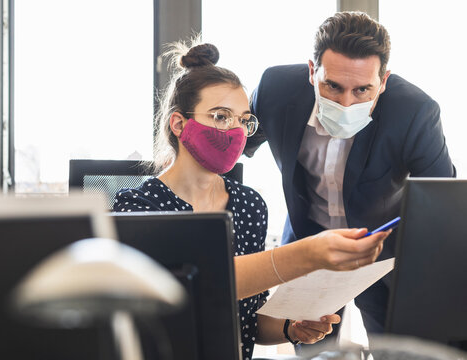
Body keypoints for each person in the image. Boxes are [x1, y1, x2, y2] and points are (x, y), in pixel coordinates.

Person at [113, 40, 390, 359]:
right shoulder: (138, 207)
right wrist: (307, 254)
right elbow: (191, 290)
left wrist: (290, 327)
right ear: (179, 124)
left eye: (244, 120)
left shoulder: (248, 205)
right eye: (221, 116)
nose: (236, 131)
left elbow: (248, 320)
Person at [245, 11, 456, 341]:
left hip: (383, 254)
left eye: (362, 90)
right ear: (312, 72)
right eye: (332, 86)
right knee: (313, 350)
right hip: (309, 246)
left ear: (383, 82)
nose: (346, 103)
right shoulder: (275, 89)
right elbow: (231, 150)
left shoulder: (415, 111)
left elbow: (442, 202)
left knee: (398, 351)